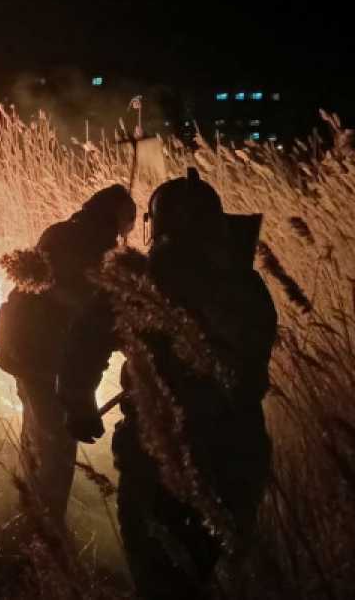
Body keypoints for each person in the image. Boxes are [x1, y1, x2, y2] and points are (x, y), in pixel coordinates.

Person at [60, 168, 277, 599]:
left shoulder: (141, 282)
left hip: (158, 450)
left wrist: (77, 401)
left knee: (159, 572)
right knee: (205, 569)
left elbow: (85, 339)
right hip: (236, 450)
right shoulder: (246, 284)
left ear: (158, 226)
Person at [0, 185, 135, 529]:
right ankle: (46, 529)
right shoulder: (101, 248)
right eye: (129, 219)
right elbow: (95, 316)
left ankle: (28, 508)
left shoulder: (58, 231)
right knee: (57, 445)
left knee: (35, 432)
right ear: (118, 217)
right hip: (50, 355)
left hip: (20, 346)